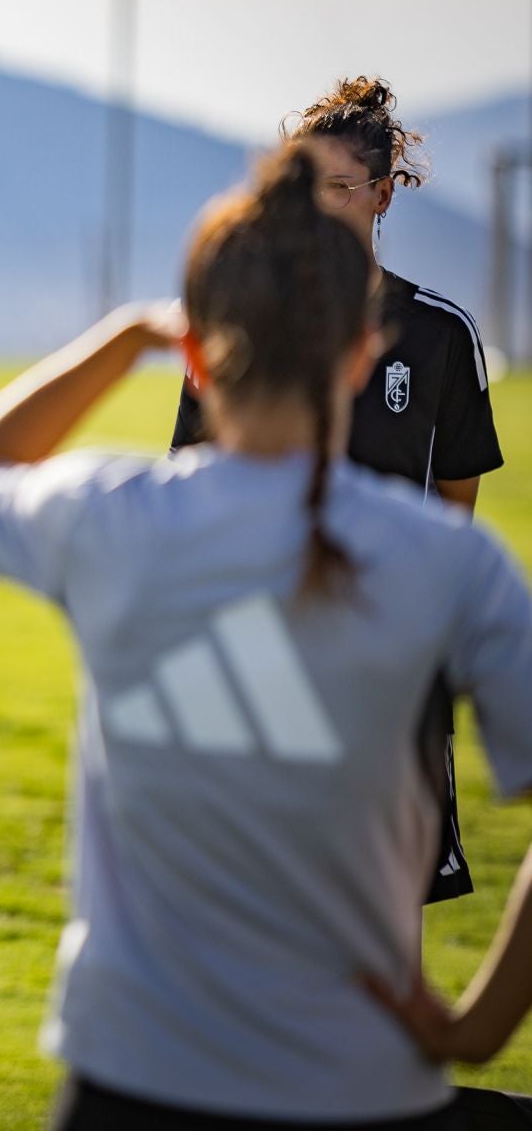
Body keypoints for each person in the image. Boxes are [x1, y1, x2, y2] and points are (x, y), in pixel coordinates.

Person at [0, 143, 532, 1129]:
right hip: (361, 1085)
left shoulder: (110, 509)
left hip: (132, 1078)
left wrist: (125, 340)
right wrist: (476, 1026)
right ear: (361, 354)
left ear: (198, 356)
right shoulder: (450, 560)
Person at [171, 78, 503, 903]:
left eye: (342, 189)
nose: (321, 210)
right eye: (303, 188)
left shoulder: (439, 336)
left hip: (391, 677)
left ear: (384, 194)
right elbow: (191, 490)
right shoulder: (231, 332)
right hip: (258, 661)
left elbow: (452, 515)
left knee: (390, 932)